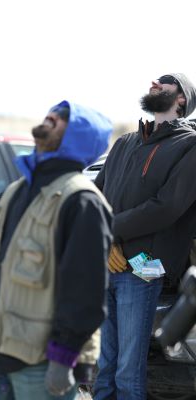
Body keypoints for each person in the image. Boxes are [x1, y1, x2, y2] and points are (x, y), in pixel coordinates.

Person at [0, 101, 113, 399]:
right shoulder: (15, 191)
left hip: (39, 364)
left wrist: (64, 357)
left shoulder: (82, 201)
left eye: (63, 117)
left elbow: (85, 292)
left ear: (80, 136)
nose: (51, 115)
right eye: (52, 111)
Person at [93, 73, 196, 399]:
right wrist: (104, 240)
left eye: (165, 83)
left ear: (181, 99)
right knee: (105, 362)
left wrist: (111, 231)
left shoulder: (190, 145)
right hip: (108, 263)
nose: (154, 83)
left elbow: (166, 207)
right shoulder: (124, 142)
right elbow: (97, 194)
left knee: (127, 366)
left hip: (146, 266)